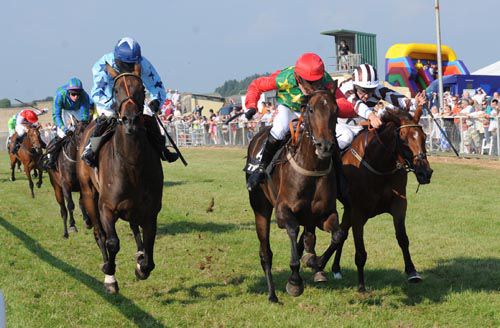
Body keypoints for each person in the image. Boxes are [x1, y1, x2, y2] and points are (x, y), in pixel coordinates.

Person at [244, 52, 355, 192]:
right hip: (290, 109)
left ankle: (338, 175)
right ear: (298, 77)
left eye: (317, 81)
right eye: (309, 82)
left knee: (346, 134)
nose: (314, 86)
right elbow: (256, 85)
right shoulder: (284, 78)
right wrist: (251, 106)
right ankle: (261, 168)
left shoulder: (326, 80)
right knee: (279, 129)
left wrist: (331, 107)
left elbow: (346, 106)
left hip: (314, 114)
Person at [81, 37, 178, 166]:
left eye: (132, 65)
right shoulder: (102, 65)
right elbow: (97, 92)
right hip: (108, 100)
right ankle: (90, 149)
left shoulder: (143, 64)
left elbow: (156, 86)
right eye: (125, 65)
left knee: (149, 115)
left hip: (132, 100)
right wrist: (114, 104)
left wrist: (156, 100)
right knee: (108, 117)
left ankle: (162, 149)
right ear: (117, 59)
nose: (129, 68)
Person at [336, 63, 421, 150]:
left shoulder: (376, 89)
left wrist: (415, 103)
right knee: (347, 137)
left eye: (370, 91)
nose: (366, 96)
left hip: (361, 129)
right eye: (363, 91)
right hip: (341, 127)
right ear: (355, 86)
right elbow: (357, 104)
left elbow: (396, 98)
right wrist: (371, 116)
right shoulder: (345, 87)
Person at [43, 78, 92, 169]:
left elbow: (85, 117)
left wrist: (81, 126)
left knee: (83, 133)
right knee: (62, 135)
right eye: (73, 94)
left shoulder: (85, 96)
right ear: (68, 92)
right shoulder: (60, 95)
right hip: (64, 110)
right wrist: (64, 128)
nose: (76, 97)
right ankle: (51, 158)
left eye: (78, 94)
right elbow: (56, 115)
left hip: (77, 110)